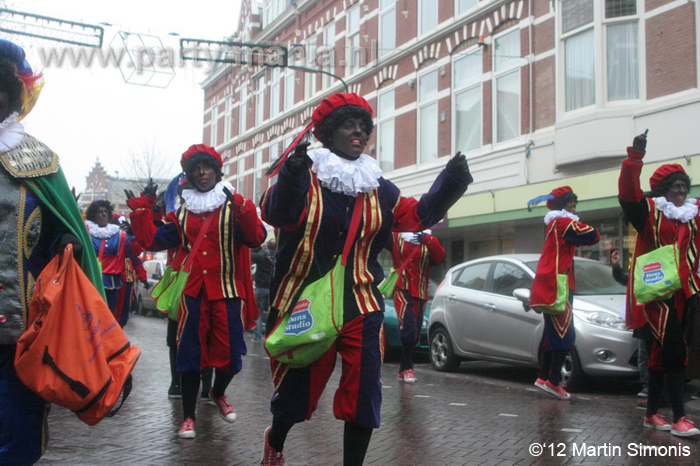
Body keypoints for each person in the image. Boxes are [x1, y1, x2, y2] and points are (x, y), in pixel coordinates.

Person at [259, 92, 472, 466]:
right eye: (347, 124)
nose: (358, 132)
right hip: (308, 299)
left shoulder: (378, 186)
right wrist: (291, 176)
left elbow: (417, 215)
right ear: (327, 133)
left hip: (362, 301)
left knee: (363, 392)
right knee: (298, 394)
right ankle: (276, 440)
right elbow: (277, 212)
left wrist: (451, 180)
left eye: (363, 126)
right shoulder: (306, 176)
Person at [0, 39, 103, 465]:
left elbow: (65, 228)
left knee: (15, 432)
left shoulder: (38, 160)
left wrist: (66, 243)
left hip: (20, 333)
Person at [127, 144, 266, 439]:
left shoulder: (233, 206)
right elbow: (152, 241)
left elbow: (256, 238)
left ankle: (217, 392)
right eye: (195, 169)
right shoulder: (181, 215)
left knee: (230, 356)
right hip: (193, 295)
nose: (202, 173)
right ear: (189, 176)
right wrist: (143, 209)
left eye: (207, 167)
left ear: (217, 171)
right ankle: (188, 416)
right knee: (190, 357)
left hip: (227, 292)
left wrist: (243, 208)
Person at [619, 130, 700, 437]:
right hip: (657, 294)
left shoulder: (694, 215)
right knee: (676, 354)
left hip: (686, 294)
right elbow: (628, 194)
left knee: (659, 355)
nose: (681, 190)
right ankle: (679, 417)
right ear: (664, 190)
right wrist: (634, 157)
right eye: (675, 186)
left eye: (684, 186)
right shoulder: (651, 212)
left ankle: (652, 414)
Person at [528, 186, 600, 400]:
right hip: (559, 284)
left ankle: (544, 376)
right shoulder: (564, 223)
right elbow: (593, 235)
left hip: (551, 283)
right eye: (570, 203)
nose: (573, 206)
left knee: (552, 333)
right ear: (561, 205)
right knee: (564, 333)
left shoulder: (554, 225)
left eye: (574, 202)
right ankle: (553, 381)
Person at [390, 230, 444, 383]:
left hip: (420, 293)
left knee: (414, 332)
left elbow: (440, 258)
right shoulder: (396, 237)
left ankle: (403, 368)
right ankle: (408, 368)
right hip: (402, 289)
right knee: (408, 328)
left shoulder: (427, 239)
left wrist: (428, 239)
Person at [85, 200, 145, 317]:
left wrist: (133, 235)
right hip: (92, 279)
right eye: (99, 212)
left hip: (113, 280)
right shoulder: (87, 232)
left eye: (105, 212)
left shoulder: (120, 234)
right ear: (93, 215)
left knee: (111, 314)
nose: (103, 214)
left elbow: (135, 253)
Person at [611, 249, 650, 398]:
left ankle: (653, 389)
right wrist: (616, 267)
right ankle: (647, 387)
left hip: (651, 319)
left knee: (648, 355)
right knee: (644, 355)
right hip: (642, 319)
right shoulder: (638, 272)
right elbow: (624, 278)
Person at [251, 238, 277, 342]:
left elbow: (251, 254)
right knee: (272, 313)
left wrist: (258, 247)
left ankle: (257, 337)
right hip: (272, 288)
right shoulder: (278, 257)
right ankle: (270, 336)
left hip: (260, 287)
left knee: (259, 312)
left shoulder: (261, 256)